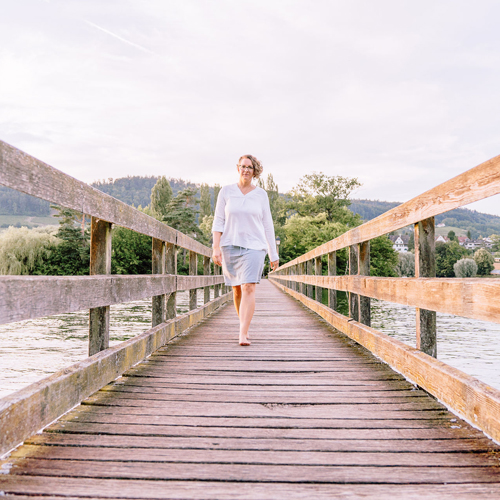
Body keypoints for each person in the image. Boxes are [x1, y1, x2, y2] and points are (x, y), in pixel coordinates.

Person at [212, 154, 279, 346]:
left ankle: (242, 332)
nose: (246, 170)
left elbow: (268, 225)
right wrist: (216, 247)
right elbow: (218, 221)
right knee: (236, 290)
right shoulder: (226, 191)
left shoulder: (261, 195)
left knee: (248, 287)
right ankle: (244, 325)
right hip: (230, 245)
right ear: (238, 168)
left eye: (250, 167)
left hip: (255, 247)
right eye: (243, 166)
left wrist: (273, 253)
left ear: (255, 171)